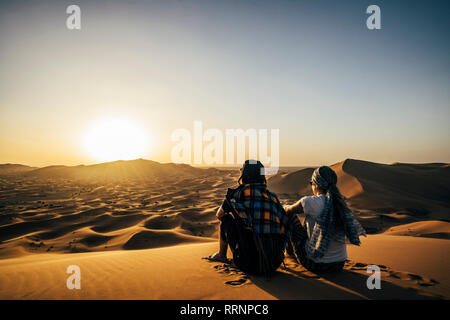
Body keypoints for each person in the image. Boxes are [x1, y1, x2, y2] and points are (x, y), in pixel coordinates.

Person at [207, 160, 295, 276]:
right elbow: (286, 224)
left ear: (244, 175)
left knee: (226, 219)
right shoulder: (272, 197)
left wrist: (238, 215)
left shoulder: (236, 195)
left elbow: (219, 215)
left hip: (247, 263)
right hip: (274, 264)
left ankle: (221, 255)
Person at [284, 166, 366, 273]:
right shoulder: (340, 204)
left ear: (316, 184)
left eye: (311, 183)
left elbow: (288, 210)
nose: (311, 186)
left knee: (291, 217)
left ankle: (289, 255)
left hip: (315, 264)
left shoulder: (310, 202)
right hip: (339, 264)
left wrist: (284, 206)